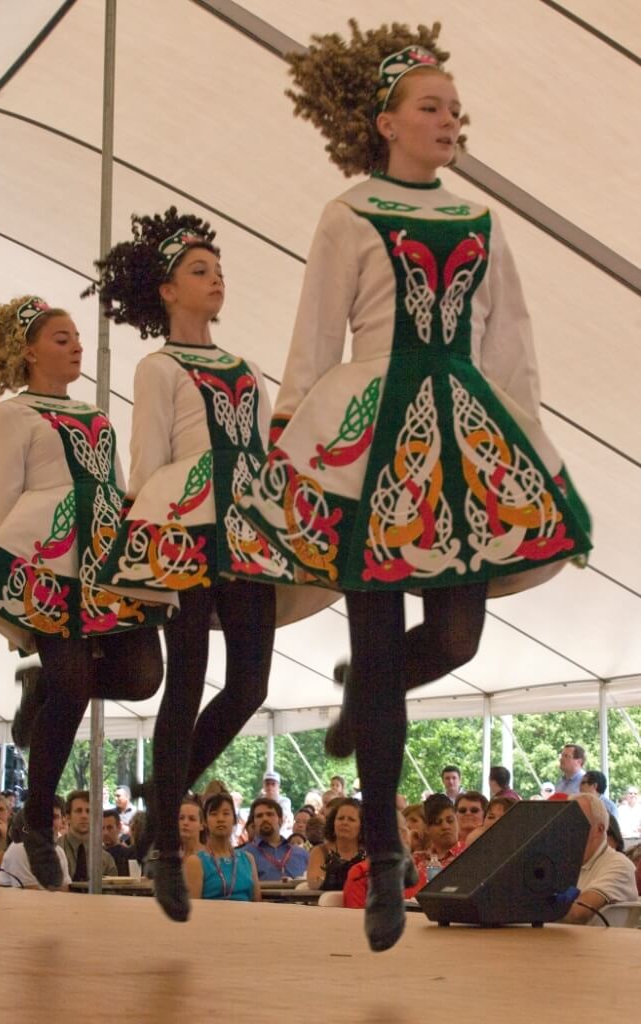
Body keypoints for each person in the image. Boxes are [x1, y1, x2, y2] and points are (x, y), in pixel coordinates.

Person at [237, 21, 591, 951]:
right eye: (431, 106)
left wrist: (526, 436)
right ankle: (387, 857)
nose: (448, 118)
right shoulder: (345, 213)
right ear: (387, 121)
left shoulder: (480, 221)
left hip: (462, 434)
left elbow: (508, 342)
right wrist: (287, 439)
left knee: (459, 635)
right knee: (377, 625)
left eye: (451, 108)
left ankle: (367, 692)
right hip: (368, 433)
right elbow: (315, 336)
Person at [85, 209, 333, 922]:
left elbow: (260, 453)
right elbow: (148, 463)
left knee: (251, 684)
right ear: (165, 291)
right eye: (199, 270)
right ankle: (166, 851)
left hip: (248, 529)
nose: (215, 277)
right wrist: (144, 551)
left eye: (217, 269)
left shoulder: (244, 370)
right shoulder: (156, 366)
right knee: (186, 678)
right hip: (184, 529)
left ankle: (163, 798)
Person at [0, 296, 173, 889]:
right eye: (62, 337)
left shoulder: (98, 417)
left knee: (145, 675)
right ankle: (35, 824)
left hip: (104, 558)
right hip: (47, 561)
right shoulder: (12, 414)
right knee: (75, 685)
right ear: (28, 351)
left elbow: (119, 488)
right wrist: (5, 586)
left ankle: (42, 685)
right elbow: (1, 495)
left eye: (77, 336)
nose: (77, 344)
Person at [560, 794, 637, 925]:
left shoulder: (620, 865)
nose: (567, 828)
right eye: (565, 821)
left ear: (599, 829)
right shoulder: (561, 862)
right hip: (554, 942)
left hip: (597, 945)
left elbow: (578, 913)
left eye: (576, 821)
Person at [184, 794, 260, 902]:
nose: (220, 819)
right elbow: (193, 909)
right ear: (205, 822)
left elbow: (257, 902)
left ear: (234, 820)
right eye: (214, 814)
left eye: (226, 813)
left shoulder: (248, 859)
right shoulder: (196, 862)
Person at [0, 800, 70, 889]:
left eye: (54, 817)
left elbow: (64, 890)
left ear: (62, 821)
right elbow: (30, 893)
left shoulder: (59, 852)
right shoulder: (20, 847)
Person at [307, 798, 366, 891]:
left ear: (362, 826)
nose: (345, 822)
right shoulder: (320, 852)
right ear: (333, 823)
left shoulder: (370, 854)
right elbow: (314, 884)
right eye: (340, 818)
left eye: (351, 819)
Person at [243, 797, 309, 881]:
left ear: (281, 820)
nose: (265, 818)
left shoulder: (302, 854)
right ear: (253, 823)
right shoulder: (243, 856)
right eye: (259, 816)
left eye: (270, 814)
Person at [59, 790, 117, 882]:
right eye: (78, 811)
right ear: (68, 817)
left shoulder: (106, 859)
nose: (84, 816)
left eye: (88, 811)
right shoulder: (55, 851)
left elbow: (112, 893)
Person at [102, 808, 131, 876]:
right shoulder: (95, 855)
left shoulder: (129, 855)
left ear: (119, 827)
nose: (105, 832)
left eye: (110, 828)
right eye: (102, 828)